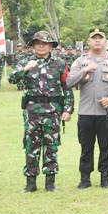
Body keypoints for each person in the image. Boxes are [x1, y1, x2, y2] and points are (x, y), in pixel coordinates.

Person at [9, 31, 74, 192]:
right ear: (33, 46)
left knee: (52, 146)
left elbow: (67, 87)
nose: (41, 46)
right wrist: (25, 69)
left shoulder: (59, 63)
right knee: (31, 145)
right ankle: (30, 182)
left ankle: (50, 182)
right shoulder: (25, 61)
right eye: (37, 43)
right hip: (32, 112)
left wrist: (68, 109)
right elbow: (12, 79)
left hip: (53, 112)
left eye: (44, 43)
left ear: (51, 46)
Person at [66, 28, 108, 189]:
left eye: (100, 38)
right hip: (86, 112)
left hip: (106, 113)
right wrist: (84, 71)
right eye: (94, 38)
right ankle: (85, 178)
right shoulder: (80, 61)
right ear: (89, 41)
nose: (97, 41)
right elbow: (69, 82)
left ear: (105, 41)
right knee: (86, 146)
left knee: (106, 146)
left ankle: (105, 177)